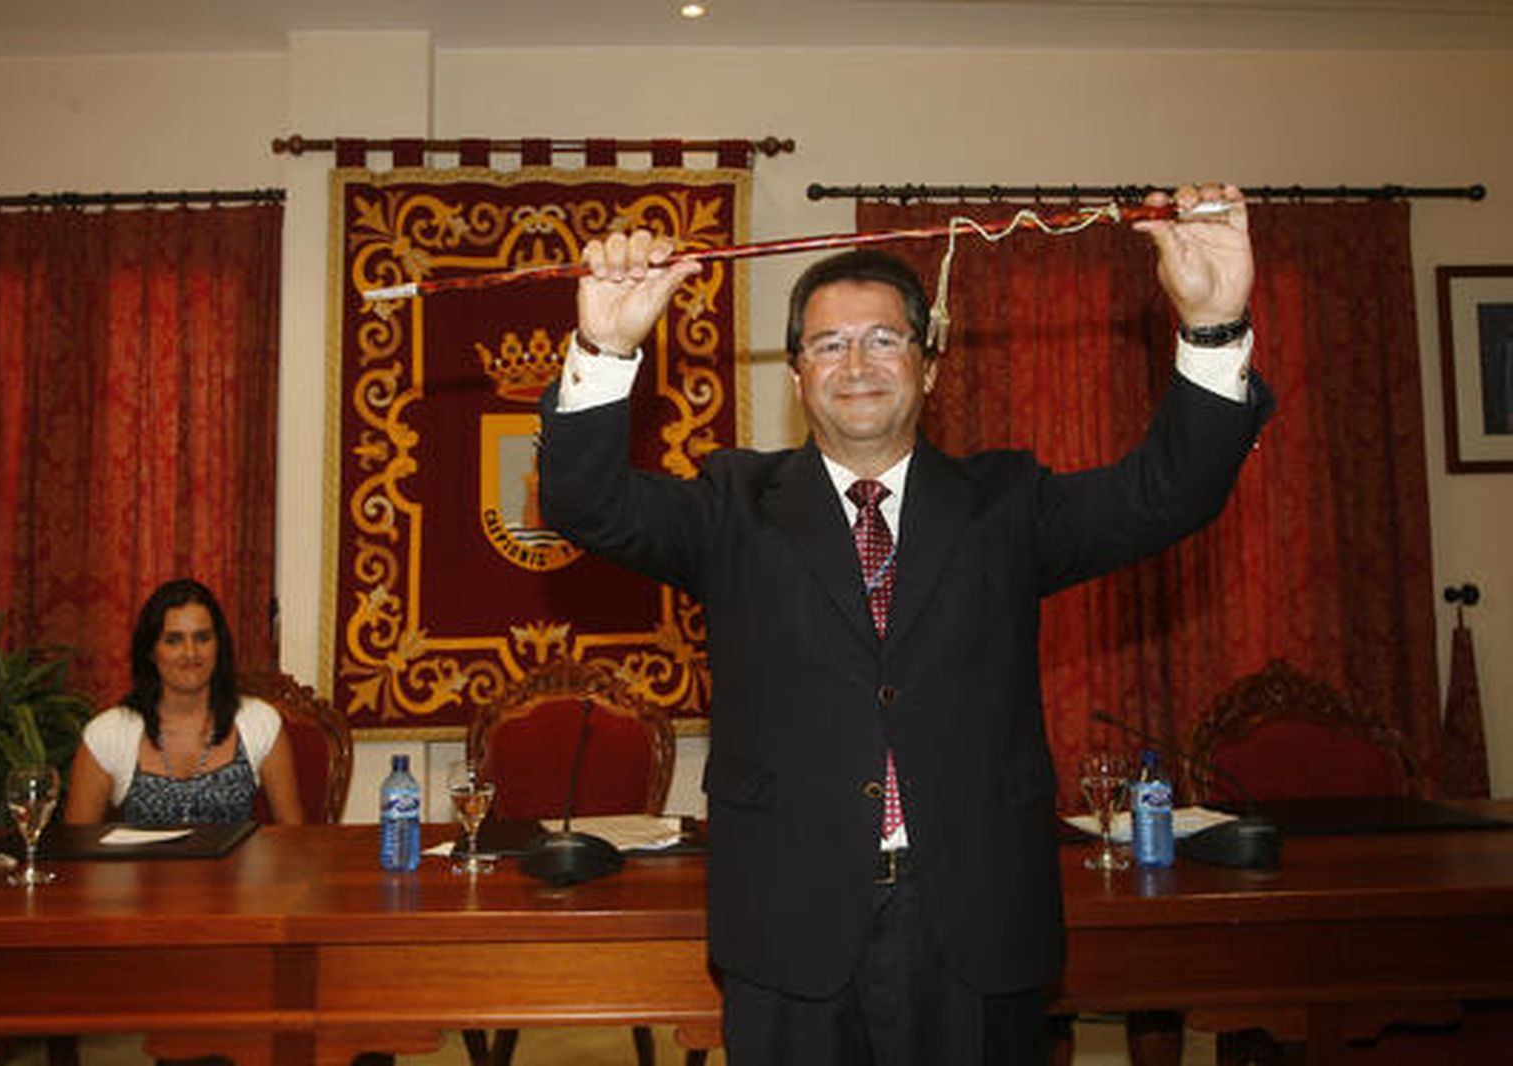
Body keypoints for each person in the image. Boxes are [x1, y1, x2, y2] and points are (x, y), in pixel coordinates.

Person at [537, 183, 1272, 1065]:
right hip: (789, 924)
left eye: (885, 340)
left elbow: (1169, 493)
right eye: (830, 344)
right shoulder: (732, 504)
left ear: (929, 365)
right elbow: (587, 503)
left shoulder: (1008, 505)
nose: (857, 364)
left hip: (973, 922)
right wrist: (607, 346)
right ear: (798, 373)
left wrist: (1214, 327)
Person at [64, 578, 303, 825]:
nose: (190, 653)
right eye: (173, 640)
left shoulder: (260, 722)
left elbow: (292, 839)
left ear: (218, 646)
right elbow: (77, 852)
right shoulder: (107, 733)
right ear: (151, 652)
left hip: (240, 866)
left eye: (202, 638)